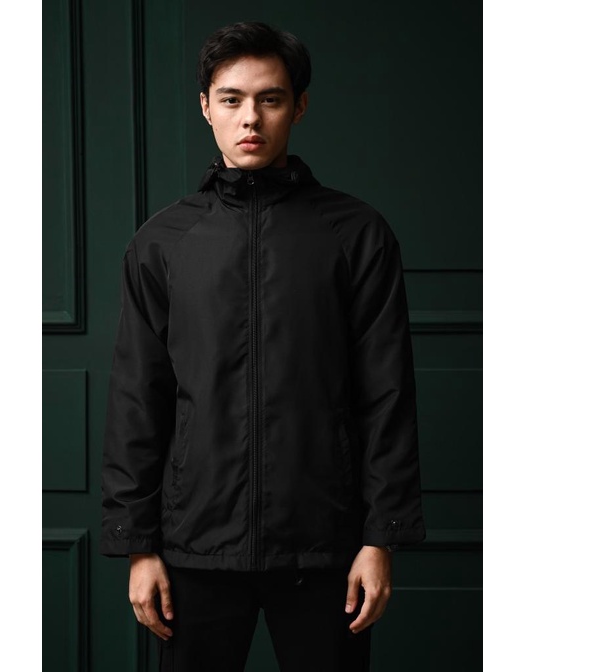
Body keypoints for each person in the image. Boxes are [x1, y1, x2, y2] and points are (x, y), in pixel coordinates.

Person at [100, 20, 426, 672]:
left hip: (326, 547)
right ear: (206, 106)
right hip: (193, 548)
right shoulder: (161, 243)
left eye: (270, 99)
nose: (250, 118)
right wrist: (138, 547)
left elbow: (386, 392)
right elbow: (138, 396)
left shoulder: (356, 234)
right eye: (232, 99)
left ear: (298, 107)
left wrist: (380, 540)